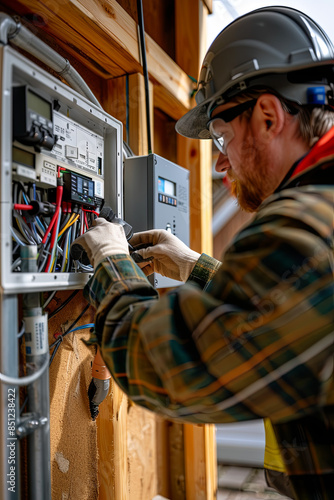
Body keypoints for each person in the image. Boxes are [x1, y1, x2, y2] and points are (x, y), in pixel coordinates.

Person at [72, 7, 334, 500]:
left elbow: (172, 369)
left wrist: (111, 264)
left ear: (268, 116)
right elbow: (280, 316)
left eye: (221, 134)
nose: (218, 159)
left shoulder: (306, 225)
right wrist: (196, 267)